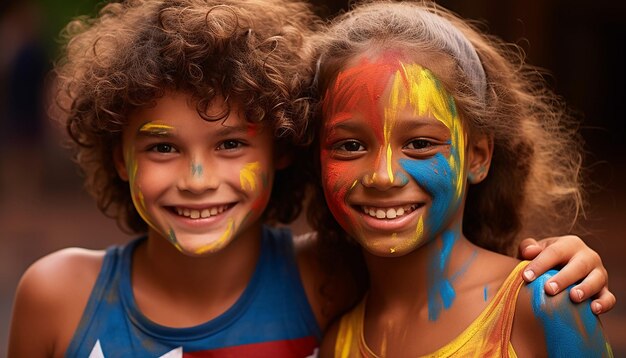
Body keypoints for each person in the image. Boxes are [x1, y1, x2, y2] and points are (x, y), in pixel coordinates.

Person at [6, 0, 615, 357]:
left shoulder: (324, 281)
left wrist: (566, 263)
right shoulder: (58, 295)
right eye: (162, 147)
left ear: (281, 150)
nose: (197, 178)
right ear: (120, 157)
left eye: (230, 144)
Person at [309, 1, 614, 356]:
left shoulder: (544, 306)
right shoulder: (338, 343)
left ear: (478, 156)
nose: (383, 176)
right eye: (350, 145)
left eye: (420, 143)